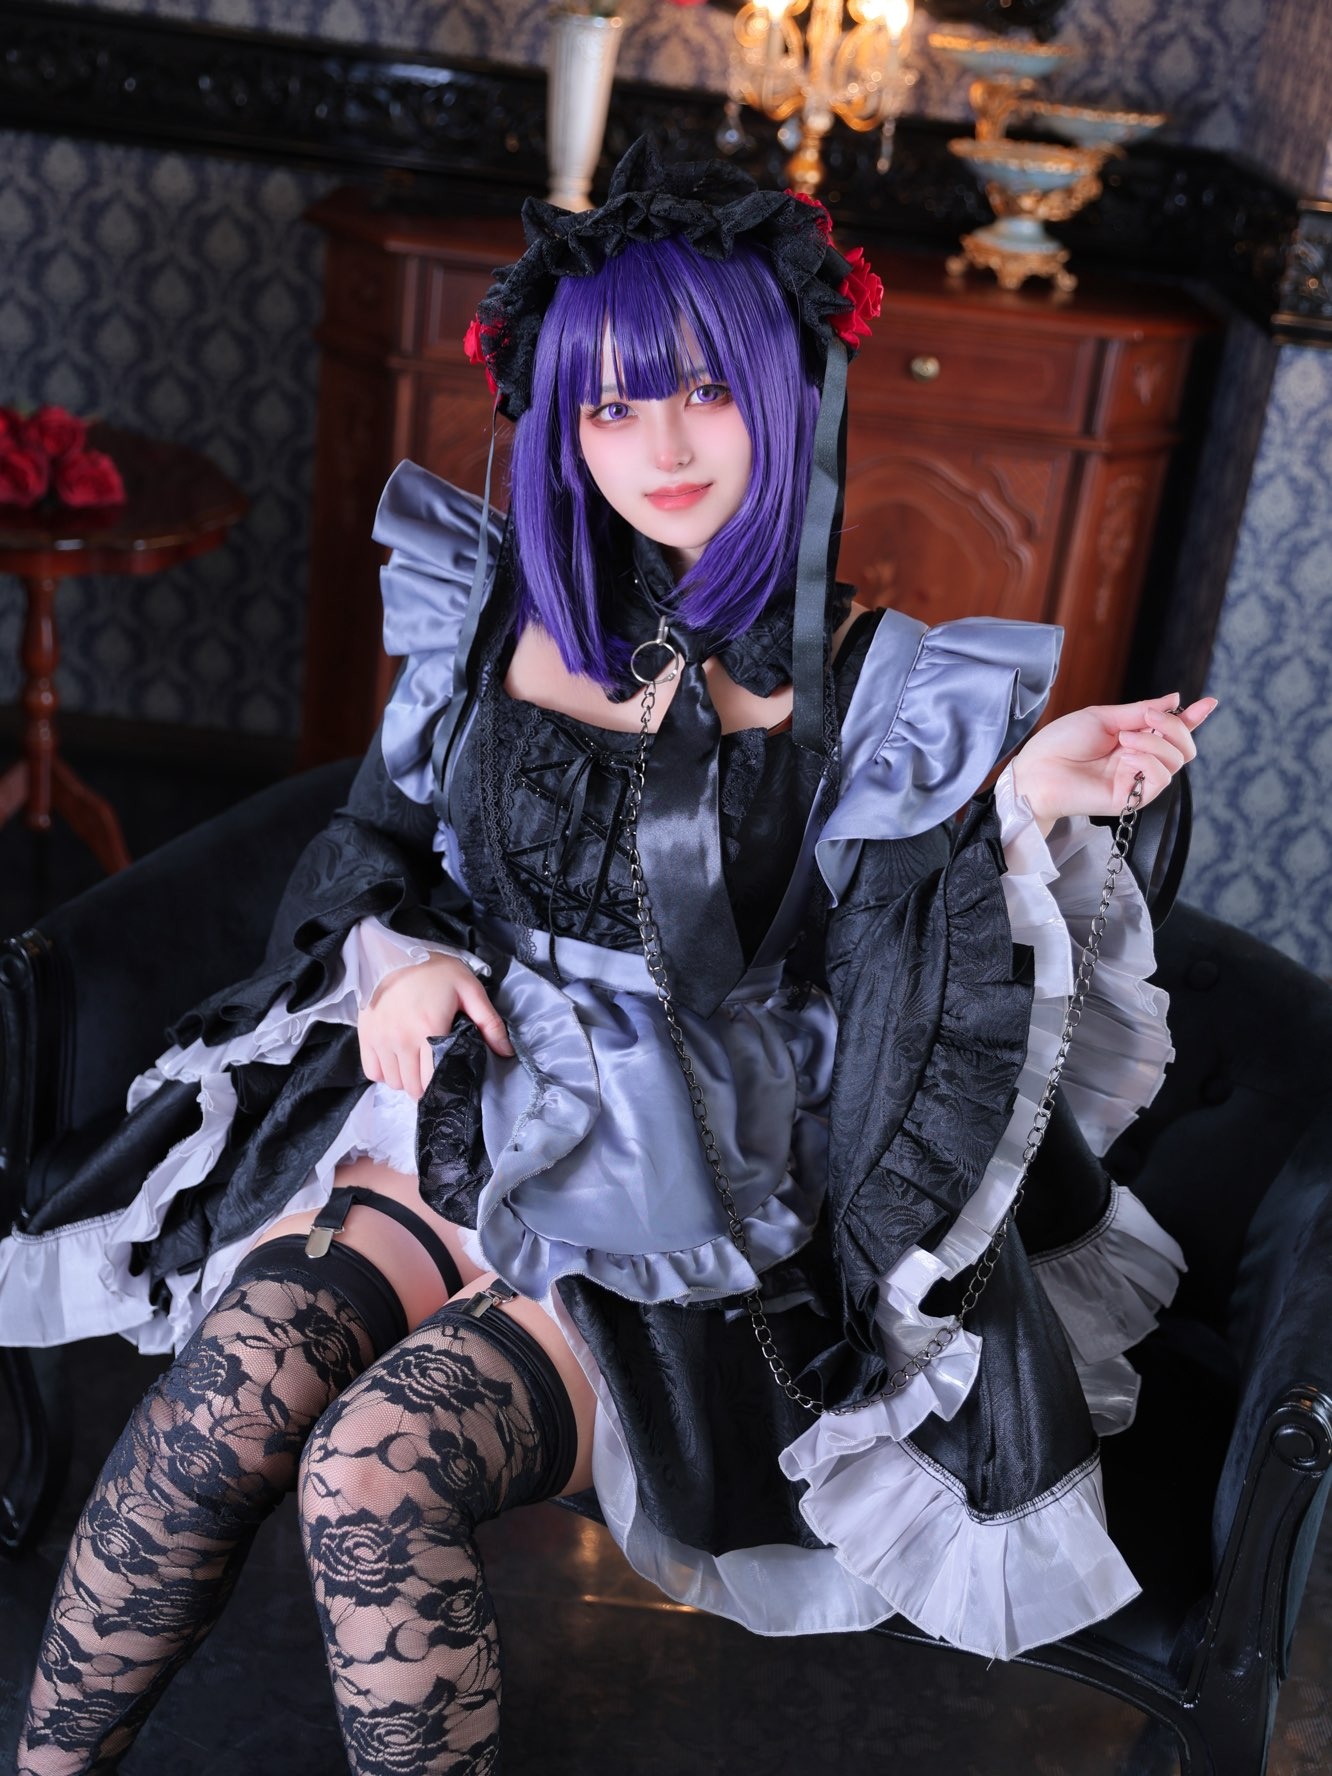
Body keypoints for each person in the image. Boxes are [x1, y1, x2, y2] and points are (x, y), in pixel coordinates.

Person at [3, 139, 1214, 1775]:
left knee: (372, 1474)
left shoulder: (879, 685)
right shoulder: (491, 602)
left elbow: (895, 980)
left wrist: (1015, 807)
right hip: (459, 1114)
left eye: (706, 392)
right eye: (612, 404)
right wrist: (401, 957)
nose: (663, 447)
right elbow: (372, 844)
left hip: (690, 1179)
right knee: (213, 1420)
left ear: (784, 390)